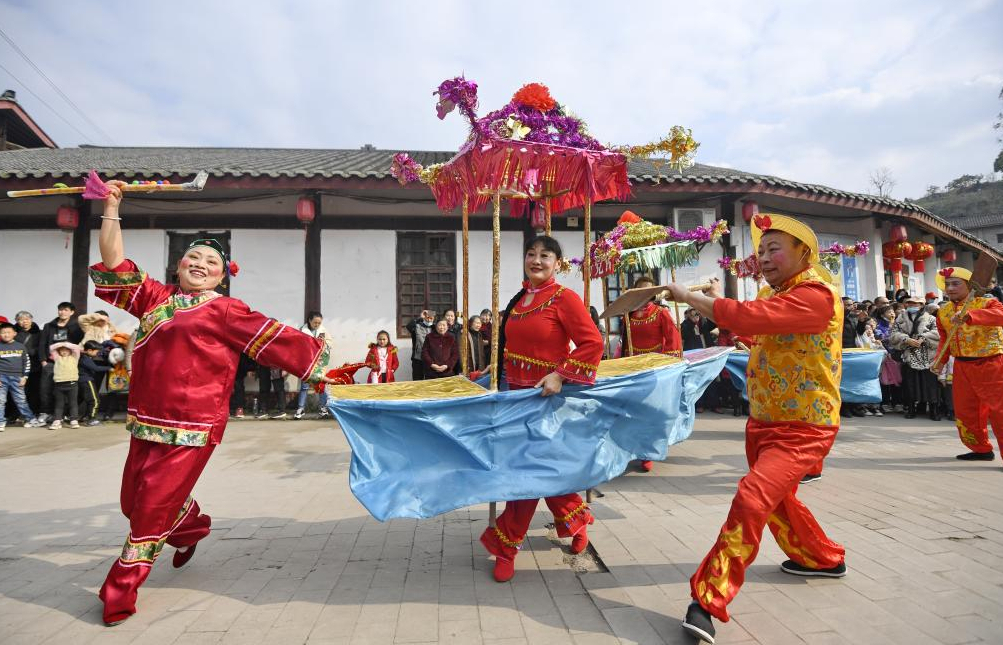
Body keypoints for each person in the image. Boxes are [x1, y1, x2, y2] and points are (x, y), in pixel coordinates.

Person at [89, 179, 334, 625]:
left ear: (223, 276)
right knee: (132, 501)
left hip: (193, 426)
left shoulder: (226, 310)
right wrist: (111, 206)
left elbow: (276, 340)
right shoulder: (154, 299)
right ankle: (191, 526)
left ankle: (120, 589)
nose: (201, 264)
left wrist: (325, 369)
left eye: (212, 262)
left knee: (150, 509)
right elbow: (113, 262)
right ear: (178, 265)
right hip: (146, 420)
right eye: (194, 257)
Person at [665, 214, 846, 644]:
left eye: (774, 249)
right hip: (765, 419)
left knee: (752, 497)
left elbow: (750, 318)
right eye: (760, 250)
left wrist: (689, 297)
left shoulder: (816, 296)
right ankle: (822, 559)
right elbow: (762, 330)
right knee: (778, 503)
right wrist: (725, 312)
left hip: (804, 426)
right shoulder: (776, 294)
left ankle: (708, 598)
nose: (763, 257)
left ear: (804, 253)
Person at [479, 235, 604, 583]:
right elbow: (514, 345)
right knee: (540, 473)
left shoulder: (565, 298)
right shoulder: (520, 299)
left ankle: (506, 547)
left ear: (558, 264)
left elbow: (593, 342)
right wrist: (496, 368)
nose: (536, 260)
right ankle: (577, 520)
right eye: (531, 254)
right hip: (515, 400)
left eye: (545, 255)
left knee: (527, 475)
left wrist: (560, 375)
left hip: (546, 402)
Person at [931, 266, 1003, 461]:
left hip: (991, 363)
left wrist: (971, 316)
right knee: (966, 412)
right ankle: (981, 449)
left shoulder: (987, 303)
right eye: (947, 284)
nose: (950, 288)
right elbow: (945, 339)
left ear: (970, 286)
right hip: (962, 366)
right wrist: (940, 360)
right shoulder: (943, 312)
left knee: (999, 411)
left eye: (956, 284)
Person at [620, 276, 684, 471]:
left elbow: (673, 340)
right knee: (633, 411)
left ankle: (648, 452)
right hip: (633, 368)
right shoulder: (628, 314)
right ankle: (632, 448)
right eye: (641, 291)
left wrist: (670, 366)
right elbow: (625, 343)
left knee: (652, 410)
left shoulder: (661, 313)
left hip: (654, 370)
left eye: (649, 291)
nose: (645, 295)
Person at [890, 295, 940, 420]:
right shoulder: (900, 318)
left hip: (926, 354)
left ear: (922, 305)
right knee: (910, 384)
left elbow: (937, 332)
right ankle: (911, 409)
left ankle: (934, 410)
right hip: (909, 353)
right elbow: (894, 333)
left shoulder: (931, 318)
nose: (912, 305)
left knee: (930, 384)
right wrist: (905, 339)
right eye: (910, 303)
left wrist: (923, 338)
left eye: (915, 303)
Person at [37, 302, 83, 422]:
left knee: (67, 390)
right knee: (45, 389)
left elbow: (79, 342)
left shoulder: (76, 326)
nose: (62, 312)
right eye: (60, 310)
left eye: (66, 310)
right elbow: (42, 343)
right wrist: (43, 361)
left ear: (72, 312)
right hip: (50, 362)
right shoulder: (49, 326)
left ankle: (64, 414)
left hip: (68, 363)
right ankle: (46, 412)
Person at [0, 322, 46, 430]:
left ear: (14, 333)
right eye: (3, 332)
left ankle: (31, 419)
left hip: (17, 378)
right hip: (2, 378)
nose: (6, 335)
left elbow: (26, 363)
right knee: (1, 401)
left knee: (21, 400)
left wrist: (25, 377)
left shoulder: (20, 346)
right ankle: (1, 422)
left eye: (8, 332)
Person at [295, 311, 333, 419]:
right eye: (315, 322)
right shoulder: (302, 330)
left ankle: (323, 408)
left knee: (320, 384)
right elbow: (298, 345)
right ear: (309, 320)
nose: (317, 325)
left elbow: (330, 343)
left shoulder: (323, 330)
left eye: (319, 323)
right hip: (307, 362)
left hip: (319, 362)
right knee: (304, 386)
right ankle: (300, 408)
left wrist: (323, 345)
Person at [13, 311, 42, 417]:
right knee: (18, 391)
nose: (24, 322)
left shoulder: (39, 333)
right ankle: (16, 414)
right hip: (17, 366)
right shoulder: (13, 333)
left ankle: (34, 412)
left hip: (35, 366)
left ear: (31, 319)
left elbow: (42, 347)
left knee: (34, 390)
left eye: (26, 319)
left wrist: (32, 351)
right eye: (21, 320)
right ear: (17, 321)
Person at [48, 341, 81, 430]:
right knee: (59, 404)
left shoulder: (74, 357)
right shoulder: (57, 358)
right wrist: (61, 344)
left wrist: (65, 344)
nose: (64, 351)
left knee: (73, 403)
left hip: (72, 384)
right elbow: (51, 348)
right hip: (59, 384)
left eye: (66, 350)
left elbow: (77, 348)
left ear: (70, 351)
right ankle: (57, 420)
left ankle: (74, 420)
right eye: (62, 350)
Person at [79, 340, 112, 426]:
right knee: (95, 400)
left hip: (84, 381)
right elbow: (96, 368)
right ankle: (92, 419)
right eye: (96, 352)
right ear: (89, 350)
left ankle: (85, 417)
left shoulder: (84, 357)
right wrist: (109, 368)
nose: (97, 354)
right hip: (87, 381)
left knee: (89, 400)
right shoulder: (85, 358)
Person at [406, 309, 435, 380]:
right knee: (417, 380)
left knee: (431, 381)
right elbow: (409, 326)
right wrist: (420, 317)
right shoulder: (417, 326)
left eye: (431, 317)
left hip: (432, 359)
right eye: (427, 317)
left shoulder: (435, 327)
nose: (429, 319)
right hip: (418, 359)